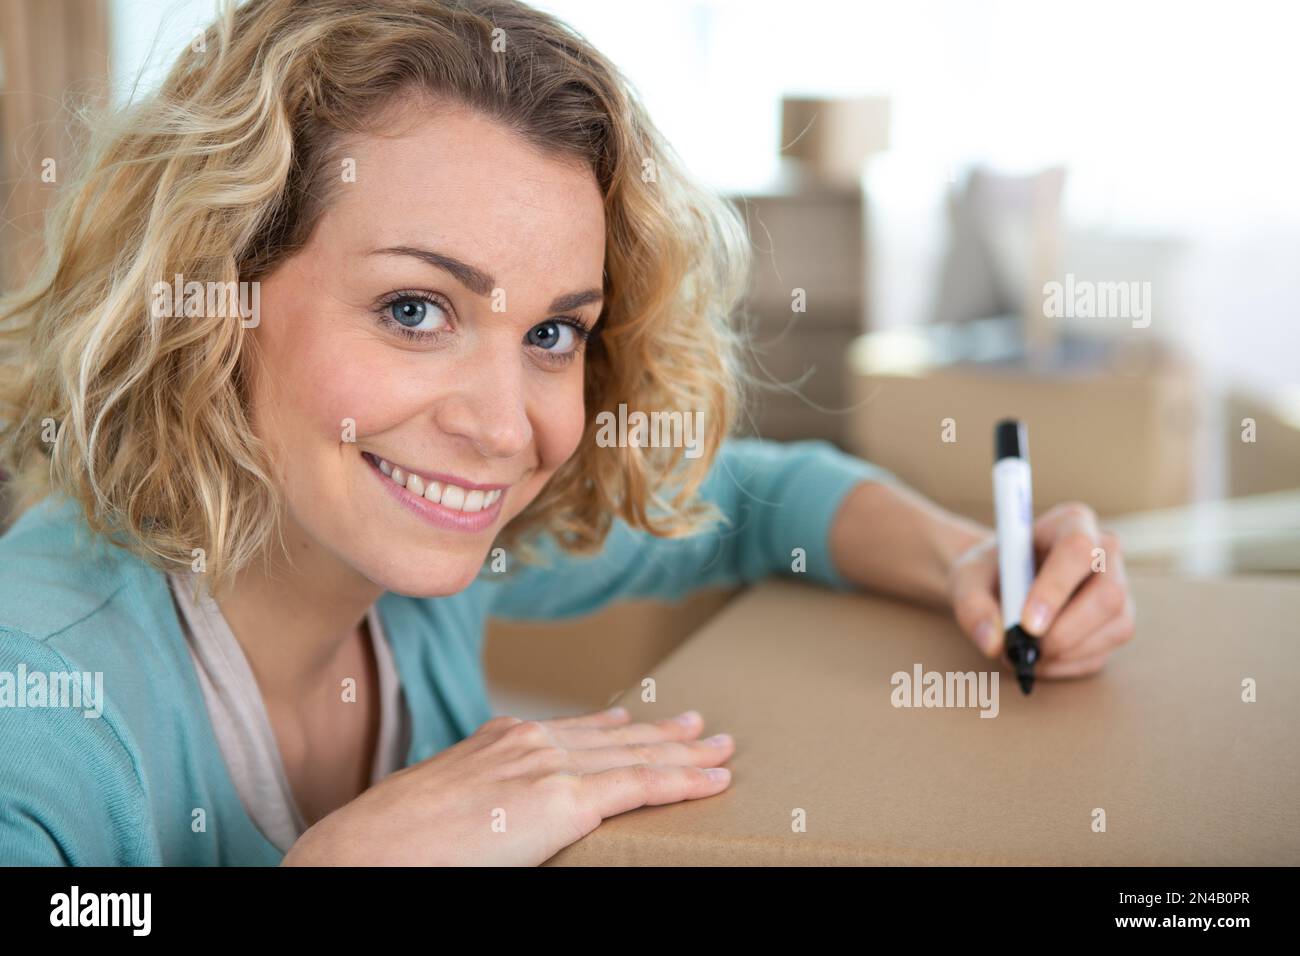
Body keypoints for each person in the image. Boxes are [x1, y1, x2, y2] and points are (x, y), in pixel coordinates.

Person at [0, 0, 1135, 866]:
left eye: (551, 332)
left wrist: (972, 560)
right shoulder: (41, 698)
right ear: (214, 297)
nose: (504, 430)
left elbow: (762, 502)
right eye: (414, 309)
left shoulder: (438, 547)